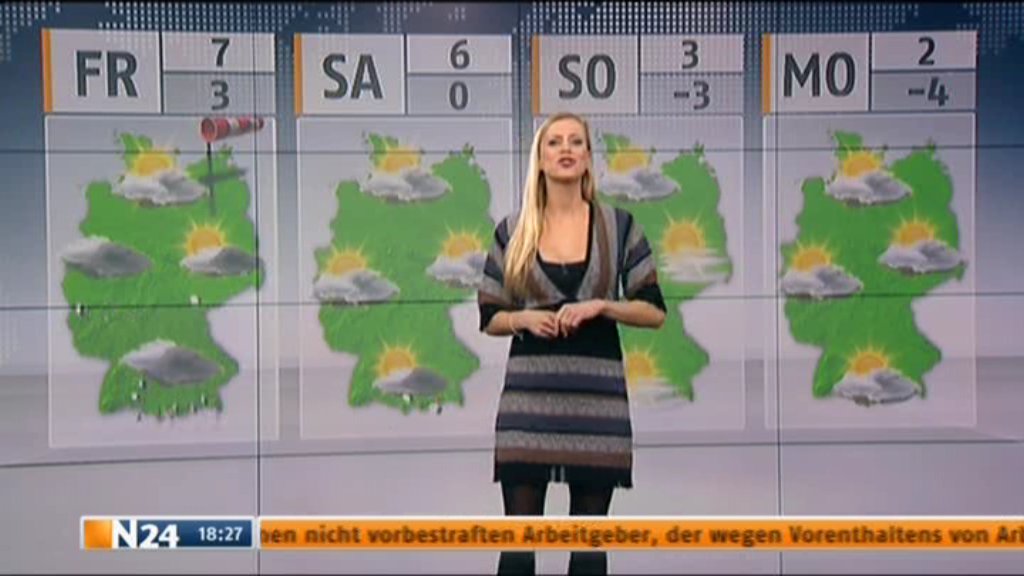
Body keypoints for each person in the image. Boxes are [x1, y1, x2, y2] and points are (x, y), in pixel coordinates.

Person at [477, 111, 667, 575]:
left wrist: (602, 307)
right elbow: (489, 316)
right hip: (528, 408)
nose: (565, 149)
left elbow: (654, 311)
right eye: (555, 142)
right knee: (518, 547)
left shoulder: (620, 227)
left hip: (596, 408)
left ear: (587, 157)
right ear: (540, 159)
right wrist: (523, 318)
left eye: (575, 141)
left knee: (588, 549)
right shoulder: (513, 230)